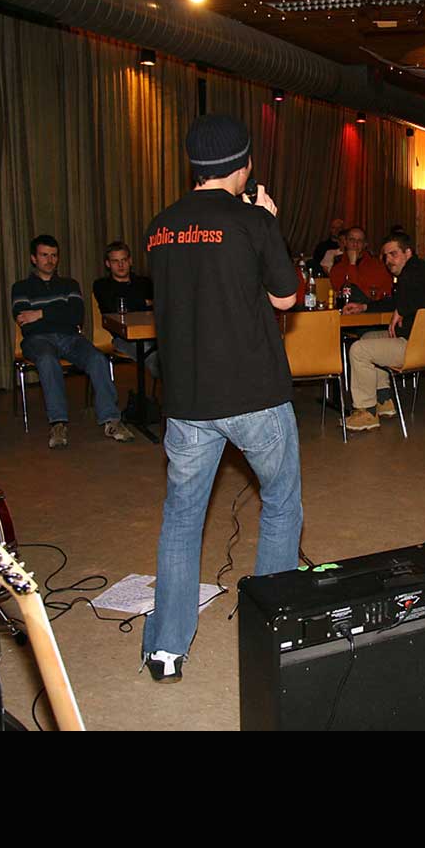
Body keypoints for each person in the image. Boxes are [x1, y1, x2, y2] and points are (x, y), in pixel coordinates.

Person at [140, 113, 302, 683]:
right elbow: (285, 299)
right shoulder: (252, 220)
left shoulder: (160, 226)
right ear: (246, 164)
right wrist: (269, 225)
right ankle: (273, 631)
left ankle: (166, 649)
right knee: (280, 504)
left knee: (182, 519)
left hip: (187, 399)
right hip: (255, 394)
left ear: (194, 165)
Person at [12, 235, 134, 448]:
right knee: (47, 360)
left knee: (97, 358)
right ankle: (58, 423)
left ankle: (112, 420)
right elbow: (26, 323)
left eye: (54, 255)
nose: (50, 260)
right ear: (33, 258)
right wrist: (59, 313)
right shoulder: (20, 288)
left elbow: (76, 316)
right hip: (37, 339)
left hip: (71, 337)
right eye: (44, 255)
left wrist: (39, 313)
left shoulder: (70, 284)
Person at [343, 233, 425, 432]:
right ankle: (384, 400)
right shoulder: (420, 270)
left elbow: (411, 297)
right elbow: (403, 299)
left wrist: (401, 308)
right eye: (386, 256)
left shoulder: (412, 273)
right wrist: (365, 307)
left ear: (408, 253)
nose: (389, 260)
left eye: (394, 254)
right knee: (368, 338)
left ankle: (367, 412)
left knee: (359, 349)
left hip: (416, 347)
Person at [92, 240, 160, 382]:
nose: (121, 265)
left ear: (130, 261)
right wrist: (144, 302)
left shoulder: (144, 282)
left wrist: (133, 303)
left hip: (152, 333)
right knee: (152, 355)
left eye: (124, 260)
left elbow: (157, 306)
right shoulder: (101, 285)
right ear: (108, 264)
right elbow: (113, 308)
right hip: (122, 338)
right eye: (115, 261)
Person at [328, 226, 393, 304]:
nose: (355, 244)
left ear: (365, 244)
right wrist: (352, 264)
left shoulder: (378, 265)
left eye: (359, 241)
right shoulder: (337, 269)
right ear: (345, 242)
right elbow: (349, 293)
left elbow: (386, 292)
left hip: (373, 308)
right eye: (352, 240)